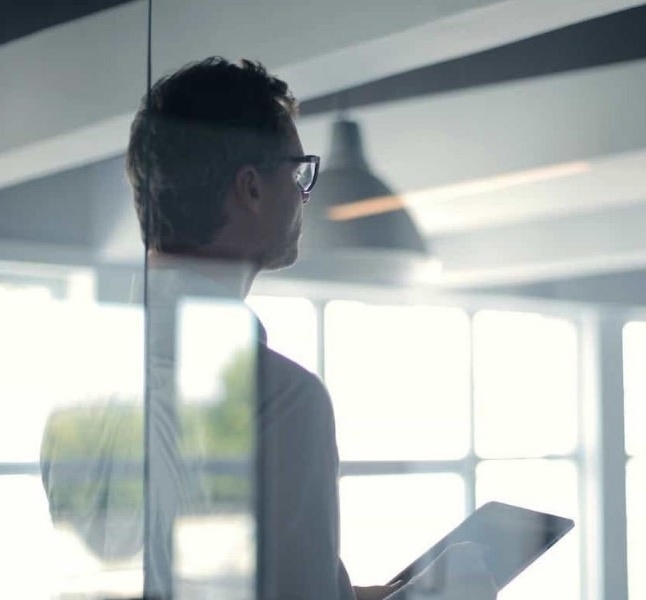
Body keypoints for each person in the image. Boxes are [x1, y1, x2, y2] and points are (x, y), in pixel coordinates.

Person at [112, 57, 494, 599]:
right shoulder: (281, 399)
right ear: (251, 189)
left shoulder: (93, 383)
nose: (303, 195)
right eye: (298, 174)